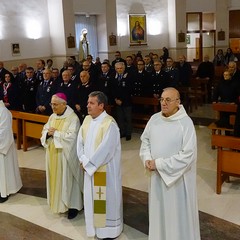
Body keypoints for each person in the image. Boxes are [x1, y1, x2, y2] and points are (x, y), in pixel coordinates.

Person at [139, 87, 200, 240]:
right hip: (156, 178)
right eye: (162, 99)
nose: (163, 103)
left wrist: (159, 164)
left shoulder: (185, 123)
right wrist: (146, 158)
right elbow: (145, 140)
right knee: (158, 213)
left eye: (168, 100)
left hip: (177, 181)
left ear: (178, 102)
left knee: (176, 217)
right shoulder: (154, 119)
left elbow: (187, 155)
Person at [77, 91, 123, 239]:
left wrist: (89, 165)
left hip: (104, 170)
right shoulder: (87, 120)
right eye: (88, 102)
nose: (87, 106)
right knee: (92, 201)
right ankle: (94, 228)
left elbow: (106, 150)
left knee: (104, 202)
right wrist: (83, 160)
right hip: (89, 169)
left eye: (91, 103)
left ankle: (107, 232)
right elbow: (80, 143)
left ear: (101, 106)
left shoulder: (109, 124)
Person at [40, 93, 83, 219]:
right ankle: (58, 203)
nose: (52, 107)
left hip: (66, 156)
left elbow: (72, 137)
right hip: (53, 155)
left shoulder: (73, 118)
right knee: (56, 180)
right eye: (51, 104)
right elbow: (44, 130)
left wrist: (56, 134)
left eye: (55, 104)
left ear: (64, 104)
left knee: (69, 180)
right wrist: (48, 134)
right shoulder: (52, 117)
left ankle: (73, 206)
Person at [0, 100, 22, 203]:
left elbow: (4, 131)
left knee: (3, 170)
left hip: (3, 148)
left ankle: (4, 192)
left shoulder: (3, 111)